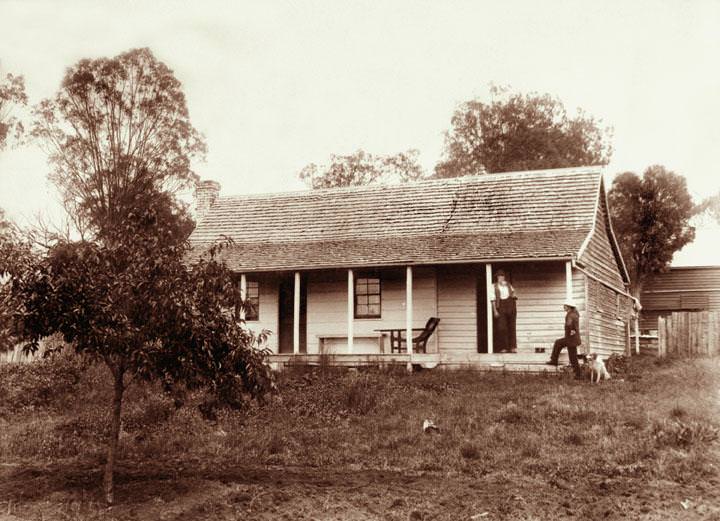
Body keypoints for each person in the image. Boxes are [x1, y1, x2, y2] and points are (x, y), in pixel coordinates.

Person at [546, 299, 582, 378]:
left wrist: (571, 330)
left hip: (571, 339)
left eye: (565, 305)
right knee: (573, 357)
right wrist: (572, 330)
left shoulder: (570, 315)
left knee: (558, 343)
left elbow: (569, 324)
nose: (563, 307)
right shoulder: (575, 313)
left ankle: (554, 360)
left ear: (569, 306)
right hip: (573, 338)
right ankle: (578, 375)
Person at [490, 269, 517, 353]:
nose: (501, 278)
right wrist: (495, 311)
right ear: (496, 277)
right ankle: (504, 347)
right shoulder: (493, 286)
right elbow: (492, 299)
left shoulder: (508, 285)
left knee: (512, 326)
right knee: (502, 328)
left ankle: (512, 347)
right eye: (499, 276)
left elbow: (514, 295)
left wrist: (512, 292)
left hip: (510, 305)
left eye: (502, 276)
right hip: (500, 306)